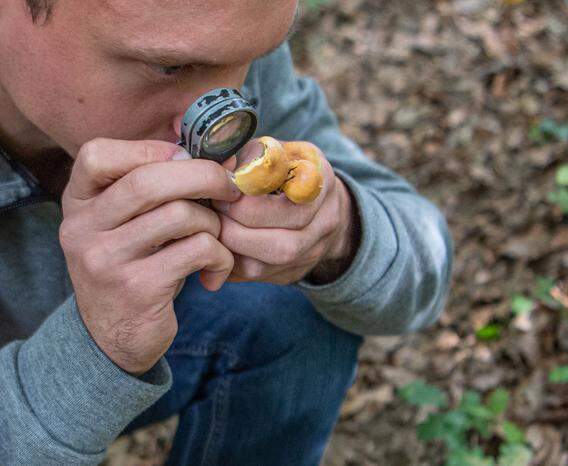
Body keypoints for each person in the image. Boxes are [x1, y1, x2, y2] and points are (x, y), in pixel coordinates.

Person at [0, 0, 454, 464]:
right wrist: (94, 350)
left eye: (253, 57)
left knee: (292, 306)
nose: (219, 121)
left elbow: (424, 263)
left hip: (154, 354)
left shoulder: (217, 32)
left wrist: (338, 236)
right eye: (169, 66)